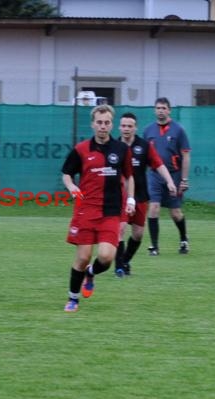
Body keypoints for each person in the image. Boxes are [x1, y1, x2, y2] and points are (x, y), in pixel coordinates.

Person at [61, 104, 135, 313]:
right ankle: (73, 298)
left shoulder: (121, 150)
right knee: (83, 257)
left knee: (106, 257)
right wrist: (72, 187)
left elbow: (129, 176)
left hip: (111, 212)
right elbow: (66, 173)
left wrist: (130, 199)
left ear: (112, 125)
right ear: (93, 124)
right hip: (86, 210)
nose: (103, 126)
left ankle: (91, 273)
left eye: (107, 122)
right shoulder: (82, 149)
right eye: (99, 122)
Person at [115, 112, 177, 276]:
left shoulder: (144, 146)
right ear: (119, 127)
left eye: (130, 126)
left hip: (140, 196)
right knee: (119, 230)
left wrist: (170, 181)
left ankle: (126, 260)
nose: (126, 129)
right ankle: (119, 267)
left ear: (135, 128)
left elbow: (159, 165)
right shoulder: (113, 146)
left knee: (138, 234)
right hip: (118, 196)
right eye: (123, 126)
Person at [143, 97, 191, 255]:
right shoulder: (148, 130)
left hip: (174, 175)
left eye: (164, 108)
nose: (161, 111)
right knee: (154, 207)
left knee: (175, 212)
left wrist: (184, 179)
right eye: (158, 108)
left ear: (169, 110)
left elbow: (186, 155)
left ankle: (184, 239)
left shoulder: (178, 130)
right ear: (154, 110)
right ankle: (154, 246)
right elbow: (143, 155)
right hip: (154, 175)